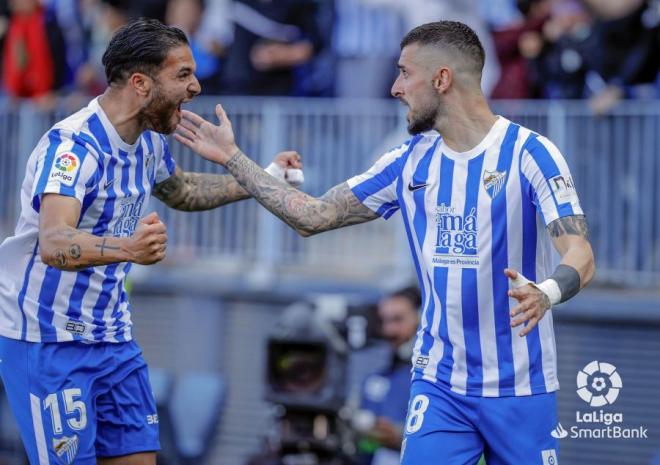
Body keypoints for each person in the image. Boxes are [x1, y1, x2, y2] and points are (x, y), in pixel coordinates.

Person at [177, 20, 596, 464]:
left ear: (441, 79)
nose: (395, 88)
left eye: (404, 73)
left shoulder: (531, 153)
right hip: (439, 385)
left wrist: (545, 292)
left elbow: (581, 253)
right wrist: (233, 158)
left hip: (521, 387)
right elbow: (312, 216)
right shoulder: (408, 161)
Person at [0, 18, 302, 465]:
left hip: (115, 340)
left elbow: (181, 191)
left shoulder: (148, 143)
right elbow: (54, 241)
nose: (196, 86)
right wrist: (129, 250)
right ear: (141, 84)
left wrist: (261, 178)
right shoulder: (73, 147)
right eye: (183, 75)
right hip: (49, 341)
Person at [355, 287, 420, 465]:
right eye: (384, 321)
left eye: (398, 319)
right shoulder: (377, 375)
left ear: (419, 317)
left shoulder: (436, 376)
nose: (389, 330)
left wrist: (398, 434)